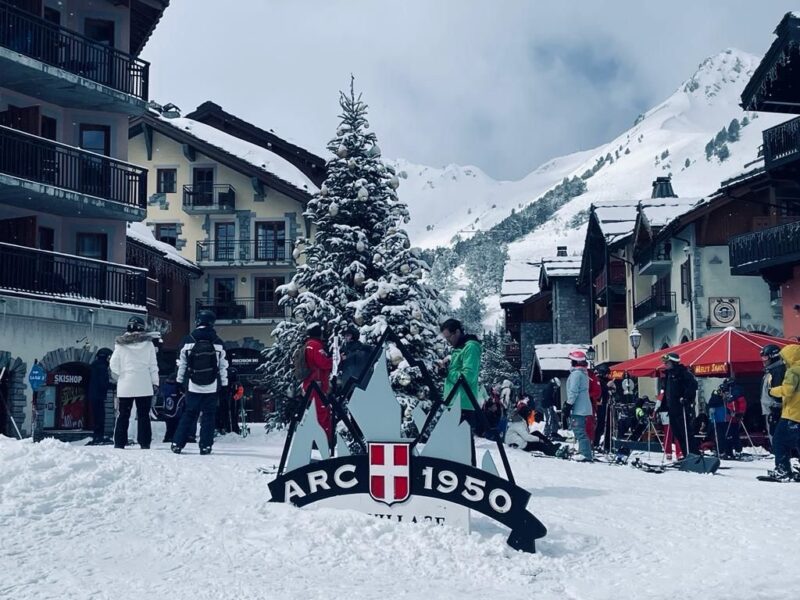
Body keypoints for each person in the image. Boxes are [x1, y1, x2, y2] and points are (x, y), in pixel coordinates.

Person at [172, 310, 229, 456]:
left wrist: (179, 381)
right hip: (211, 385)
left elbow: (182, 364)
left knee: (189, 414)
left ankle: (177, 443)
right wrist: (223, 383)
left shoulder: (188, 340)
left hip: (193, 384)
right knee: (209, 416)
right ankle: (205, 446)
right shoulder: (218, 342)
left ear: (198, 321)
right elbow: (223, 366)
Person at [110, 316, 159, 449]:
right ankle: (144, 442)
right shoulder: (148, 344)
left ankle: (120, 442)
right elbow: (153, 366)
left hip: (126, 384)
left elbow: (113, 364)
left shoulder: (120, 345)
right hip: (144, 384)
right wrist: (155, 383)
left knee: (123, 415)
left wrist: (122, 374)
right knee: (144, 415)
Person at [439, 318, 482, 431]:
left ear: (457, 332)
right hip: (453, 403)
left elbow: (467, 377)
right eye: (446, 338)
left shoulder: (470, 347)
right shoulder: (459, 349)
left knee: (461, 446)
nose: (448, 341)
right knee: (452, 446)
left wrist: (448, 373)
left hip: (463, 405)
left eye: (449, 337)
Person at [767, 345, 800, 481]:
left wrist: (772, 390)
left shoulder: (793, 371)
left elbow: (787, 390)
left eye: (784, 358)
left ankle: (783, 470)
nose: (783, 361)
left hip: (792, 413)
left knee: (779, 441)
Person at [300, 323, 334, 443]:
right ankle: (323, 441)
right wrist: (335, 359)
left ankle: (318, 439)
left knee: (317, 412)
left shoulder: (308, 345)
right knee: (322, 413)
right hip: (317, 385)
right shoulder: (315, 346)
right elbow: (323, 363)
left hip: (310, 384)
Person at [660, 352, 698, 457]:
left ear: (673, 362)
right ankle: (686, 455)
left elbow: (693, 385)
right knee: (678, 434)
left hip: (681, 408)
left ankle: (694, 454)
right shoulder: (668, 375)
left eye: (667, 362)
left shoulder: (682, 373)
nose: (665, 364)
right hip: (671, 409)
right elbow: (667, 392)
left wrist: (686, 398)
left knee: (686, 433)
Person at [564, 349, 593, 461]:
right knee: (582, 430)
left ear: (575, 362)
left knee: (579, 431)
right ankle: (585, 452)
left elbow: (573, 391)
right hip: (585, 407)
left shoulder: (576, 374)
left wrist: (568, 404)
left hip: (578, 408)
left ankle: (585, 454)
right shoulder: (584, 374)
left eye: (571, 361)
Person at [87, 348, 113, 445]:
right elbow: (103, 383)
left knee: (97, 416)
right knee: (100, 416)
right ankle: (99, 436)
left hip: (93, 394)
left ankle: (97, 436)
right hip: (99, 395)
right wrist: (113, 386)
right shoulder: (102, 367)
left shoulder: (95, 365)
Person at [760, 344, 785, 443]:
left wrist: (777, 407)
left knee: (777, 440)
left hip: (775, 410)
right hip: (770, 409)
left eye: (765, 357)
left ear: (773, 357)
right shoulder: (771, 371)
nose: (763, 360)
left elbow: (779, 390)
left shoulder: (778, 371)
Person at [338, 325, 373, 390]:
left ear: (353, 336)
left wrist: (347, 357)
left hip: (357, 381)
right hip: (347, 380)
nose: (345, 337)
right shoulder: (344, 348)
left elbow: (361, 356)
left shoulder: (360, 347)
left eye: (348, 335)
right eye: (345, 335)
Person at [724, 381, 747, 457]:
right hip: (733, 416)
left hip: (732, 417)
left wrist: (737, 413)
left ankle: (731, 451)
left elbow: (735, 403)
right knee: (733, 434)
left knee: (731, 435)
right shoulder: (736, 391)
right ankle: (736, 450)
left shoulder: (734, 392)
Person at [593, 365, 612, 452]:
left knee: (601, 426)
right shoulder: (599, 381)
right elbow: (599, 393)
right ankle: (595, 443)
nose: (608, 376)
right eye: (607, 374)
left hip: (602, 405)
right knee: (600, 426)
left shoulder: (601, 381)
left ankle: (597, 443)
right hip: (600, 406)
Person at [707, 385, 729, 457]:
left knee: (722, 436)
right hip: (717, 420)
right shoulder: (716, 398)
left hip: (722, 419)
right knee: (719, 436)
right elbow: (711, 405)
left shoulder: (720, 398)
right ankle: (720, 450)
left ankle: (720, 450)